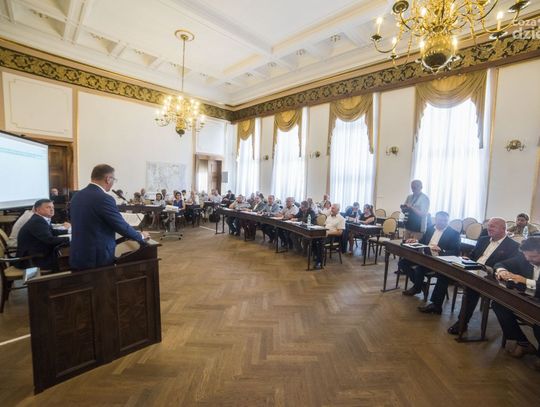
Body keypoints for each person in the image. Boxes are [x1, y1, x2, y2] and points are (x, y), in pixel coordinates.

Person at [444, 217, 519, 334]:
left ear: (503, 229)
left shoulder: (512, 246)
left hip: (491, 278)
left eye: (493, 226)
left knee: (471, 289)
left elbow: (508, 267)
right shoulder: (484, 239)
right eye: (488, 226)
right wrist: (467, 258)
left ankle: (462, 322)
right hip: (473, 271)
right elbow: (473, 255)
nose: (489, 228)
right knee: (447, 273)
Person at [69, 164, 149, 270]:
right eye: (113, 180)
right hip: (97, 257)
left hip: (78, 253)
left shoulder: (77, 196)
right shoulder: (104, 198)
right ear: (108, 179)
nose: (113, 183)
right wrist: (140, 236)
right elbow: (119, 225)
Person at [492, 237, 540, 369]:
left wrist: (525, 280)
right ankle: (523, 343)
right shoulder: (525, 257)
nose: (528, 259)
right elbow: (500, 264)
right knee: (498, 304)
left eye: (533, 256)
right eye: (526, 255)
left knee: (538, 322)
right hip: (528, 298)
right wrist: (502, 271)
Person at [398, 212, 461, 309]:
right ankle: (419, 285)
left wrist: (442, 250)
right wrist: (416, 241)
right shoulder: (430, 228)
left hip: (439, 260)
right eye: (440, 220)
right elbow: (423, 241)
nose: (443, 222)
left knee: (420, 268)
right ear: (436, 219)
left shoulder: (454, 233)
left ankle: (418, 287)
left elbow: (455, 252)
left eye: (445, 221)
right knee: (403, 263)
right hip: (425, 257)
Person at [16, 199, 70, 271]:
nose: (52, 209)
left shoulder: (39, 218)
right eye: (48, 207)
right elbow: (49, 240)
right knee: (67, 260)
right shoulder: (37, 221)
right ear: (38, 209)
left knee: (65, 254)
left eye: (52, 207)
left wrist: (68, 231)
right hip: (32, 260)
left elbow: (51, 231)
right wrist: (70, 238)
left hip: (37, 254)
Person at [313, 203, 345, 269]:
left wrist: (329, 233)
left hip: (333, 237)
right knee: (313, 239)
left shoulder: (341, 219)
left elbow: (340, 232)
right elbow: (325, 225)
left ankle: (319, 262)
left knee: (320, 242)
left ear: (338, 210)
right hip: (325, 234)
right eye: (331, 208)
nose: (331, 210)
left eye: (333, 208)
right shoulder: (329, 216)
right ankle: (317, 255)